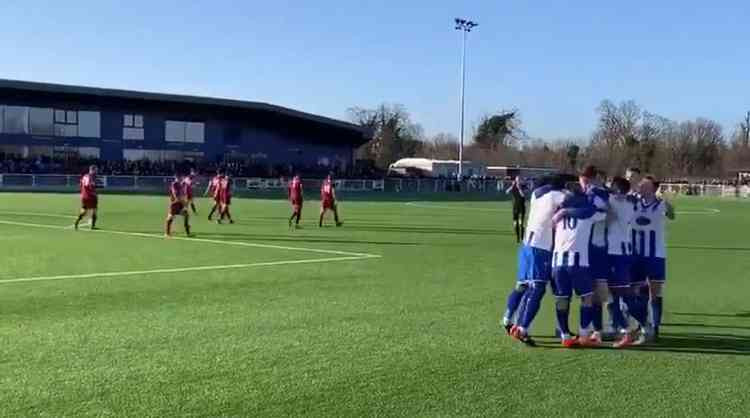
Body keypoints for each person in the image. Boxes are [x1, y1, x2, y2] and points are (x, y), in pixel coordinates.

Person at [504, 175, 569, 346]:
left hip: (527, 244)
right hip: (540, 247)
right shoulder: (557, 195)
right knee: (537, 288)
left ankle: (509, 320)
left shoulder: (536, 195)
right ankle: (522, 328)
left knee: (523, 286)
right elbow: (575, 201)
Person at [550, 191, 607, 348]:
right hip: (578, 263)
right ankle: (583, 335)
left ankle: (565, 335)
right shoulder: (588, 215)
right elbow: (603, 213)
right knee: (587, 298)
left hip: (557, 263)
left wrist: (565, 211)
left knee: (562, 299)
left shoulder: (558, 216)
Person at [605, 177, 651, 348]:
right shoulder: (630, 203)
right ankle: (632, 328)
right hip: (625, 252)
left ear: (616, 190)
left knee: (616, 295)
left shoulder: (612, 201)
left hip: (614, 254)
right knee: (618, 295)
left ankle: (633, 329)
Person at [631, 176, 675, 341]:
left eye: (645, 185)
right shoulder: (633, 203)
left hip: (655, 255)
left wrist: (669, 202)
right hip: (636, 254)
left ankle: (655, 327)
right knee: (638, 292)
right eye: (640, 184)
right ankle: (642, 324)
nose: (641, 187)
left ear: (653, 188)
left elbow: (672, 215)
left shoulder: (660, 204)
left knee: (654, 293)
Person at [579, 165, 611, 343]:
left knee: (596, 291)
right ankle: (589, 328)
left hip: (596, 248)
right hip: (585, 248)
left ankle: (597, 329)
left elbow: (603, 214)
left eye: (586, 179)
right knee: (588, 292)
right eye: (582, 178)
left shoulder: (598, 195)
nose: (584, 182)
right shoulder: (588, 194)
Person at [75, 165, 99, 230]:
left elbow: (80, 185)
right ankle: (92, 226)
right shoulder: (91, 177)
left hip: (83, 196)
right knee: (95, 210)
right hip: (91, 196)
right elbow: (89, 185)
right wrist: (94, 191)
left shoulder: (84, 176)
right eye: (95, 170)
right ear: (92, 170)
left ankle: (77, 220)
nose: (96, 171)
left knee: (84, 209)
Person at [505, 176, 526, 244]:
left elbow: (523, 195)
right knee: (515, 223)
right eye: (517, 180)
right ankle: (517, 238)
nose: (518, 181)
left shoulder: (523, 186)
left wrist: (520, 189)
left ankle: (522, 238)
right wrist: (512, 186)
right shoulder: (513, 187)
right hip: (515, 207)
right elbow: (507, 192)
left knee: (521, 223)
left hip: (521, 207)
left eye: (519, 180)